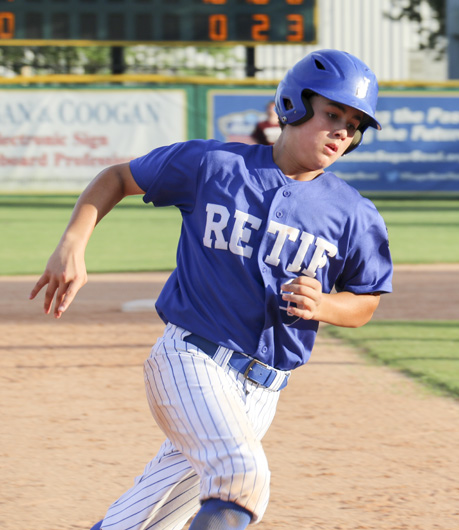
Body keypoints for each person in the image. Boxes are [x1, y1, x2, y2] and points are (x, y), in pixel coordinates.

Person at [29, 49, 393, 530]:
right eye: (332, 114)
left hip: (263, 392)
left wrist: (326, 304)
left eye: (354, 124)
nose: (343, 131)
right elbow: (118, 177)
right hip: (191, 360)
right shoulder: (215, 165)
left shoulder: (354, 214)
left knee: (146, 520)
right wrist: (72, 245)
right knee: (242, 477)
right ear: (293, 105)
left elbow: (364, 302)